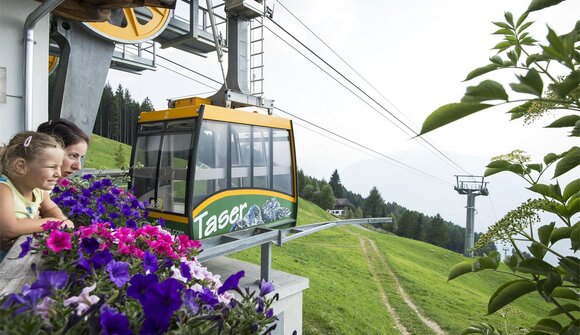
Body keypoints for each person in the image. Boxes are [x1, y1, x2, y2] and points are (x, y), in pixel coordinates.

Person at [0, 131, 73, 262]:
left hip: (18, 254)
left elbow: (49, 209)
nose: (58, 173)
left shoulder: (38, 190)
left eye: (59, 167)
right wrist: (54, 223)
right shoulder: (4, 190)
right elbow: (9, 229)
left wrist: (61, 219)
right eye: (52, 167)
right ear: (21, 166)